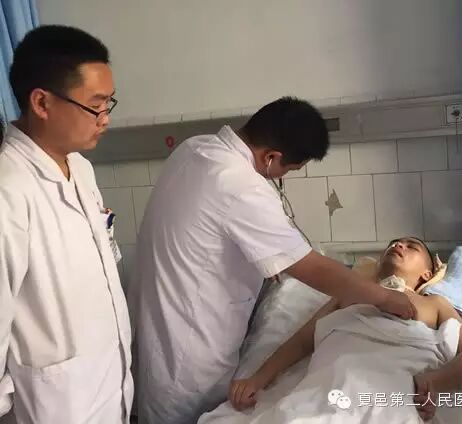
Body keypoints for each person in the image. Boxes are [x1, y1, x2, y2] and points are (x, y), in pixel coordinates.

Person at [129, 97, 417, 424]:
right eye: (287, 170)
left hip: (161, 326)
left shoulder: (194, 149)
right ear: (271, 157)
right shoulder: (242, 186)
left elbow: (208, 233)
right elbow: (312, 268)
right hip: (189, 352)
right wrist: (384, 297)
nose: (283, 178)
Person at [0, 26, 132, 423]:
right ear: (41, 102)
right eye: (96, 106)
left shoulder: (81, 168)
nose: (105, 119)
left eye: (109, 103)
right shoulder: (8, 190)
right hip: (55, 408)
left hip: (108, 389)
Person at [229, 237, 462, 421]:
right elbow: (302, 341)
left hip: (392, 390)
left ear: (427, 274)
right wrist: (257, 379)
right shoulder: (351, 293)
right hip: (330, 384)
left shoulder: (435, 304)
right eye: (394, 244)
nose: (398, 246)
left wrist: (433, 382)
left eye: (411, 246)